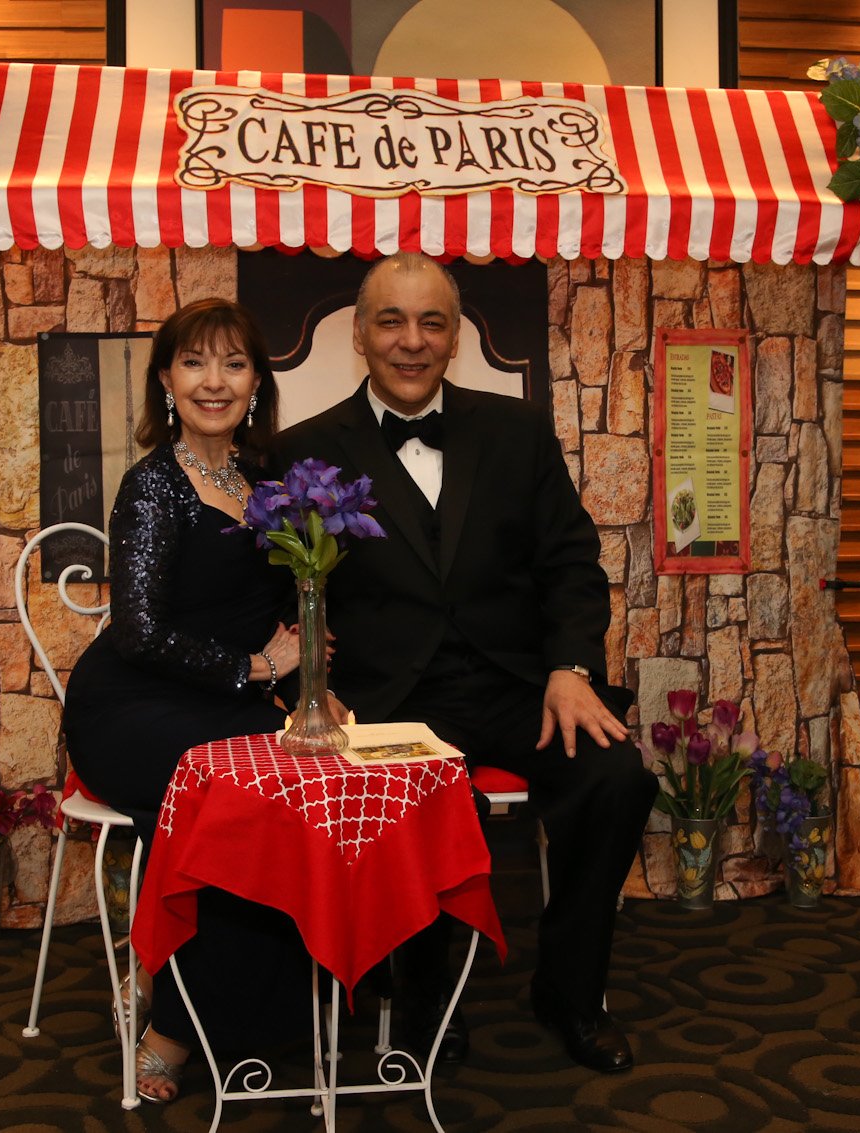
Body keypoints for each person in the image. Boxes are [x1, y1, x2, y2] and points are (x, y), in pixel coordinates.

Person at [274, 252, 658, 1073]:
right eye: (391, 321)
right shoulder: (304, 452)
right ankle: (424, 1003)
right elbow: (282, 593)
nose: (411, 341)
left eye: (432, 323)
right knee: (431, 797)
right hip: (390, 698)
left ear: (456, 338)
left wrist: (571, 668)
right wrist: (312, 685)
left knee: (616, 778)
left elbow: (571, 563)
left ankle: (571, 992)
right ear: (359, 334)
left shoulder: (519, 430)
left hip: (521, 684)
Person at [63, 298, 307, 1103]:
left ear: (256, 380)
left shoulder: (267, 480)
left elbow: (285, 604)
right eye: (195, 362)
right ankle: (169, 1026)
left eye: (234, 363)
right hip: (133, 705)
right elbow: (137, 633)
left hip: (228, 699)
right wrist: (255, 667)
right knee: (226, 798)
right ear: (166, 379)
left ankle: (227, 1001)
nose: (214, 381)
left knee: (295, 788)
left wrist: (309, 676)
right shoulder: (152, 486)